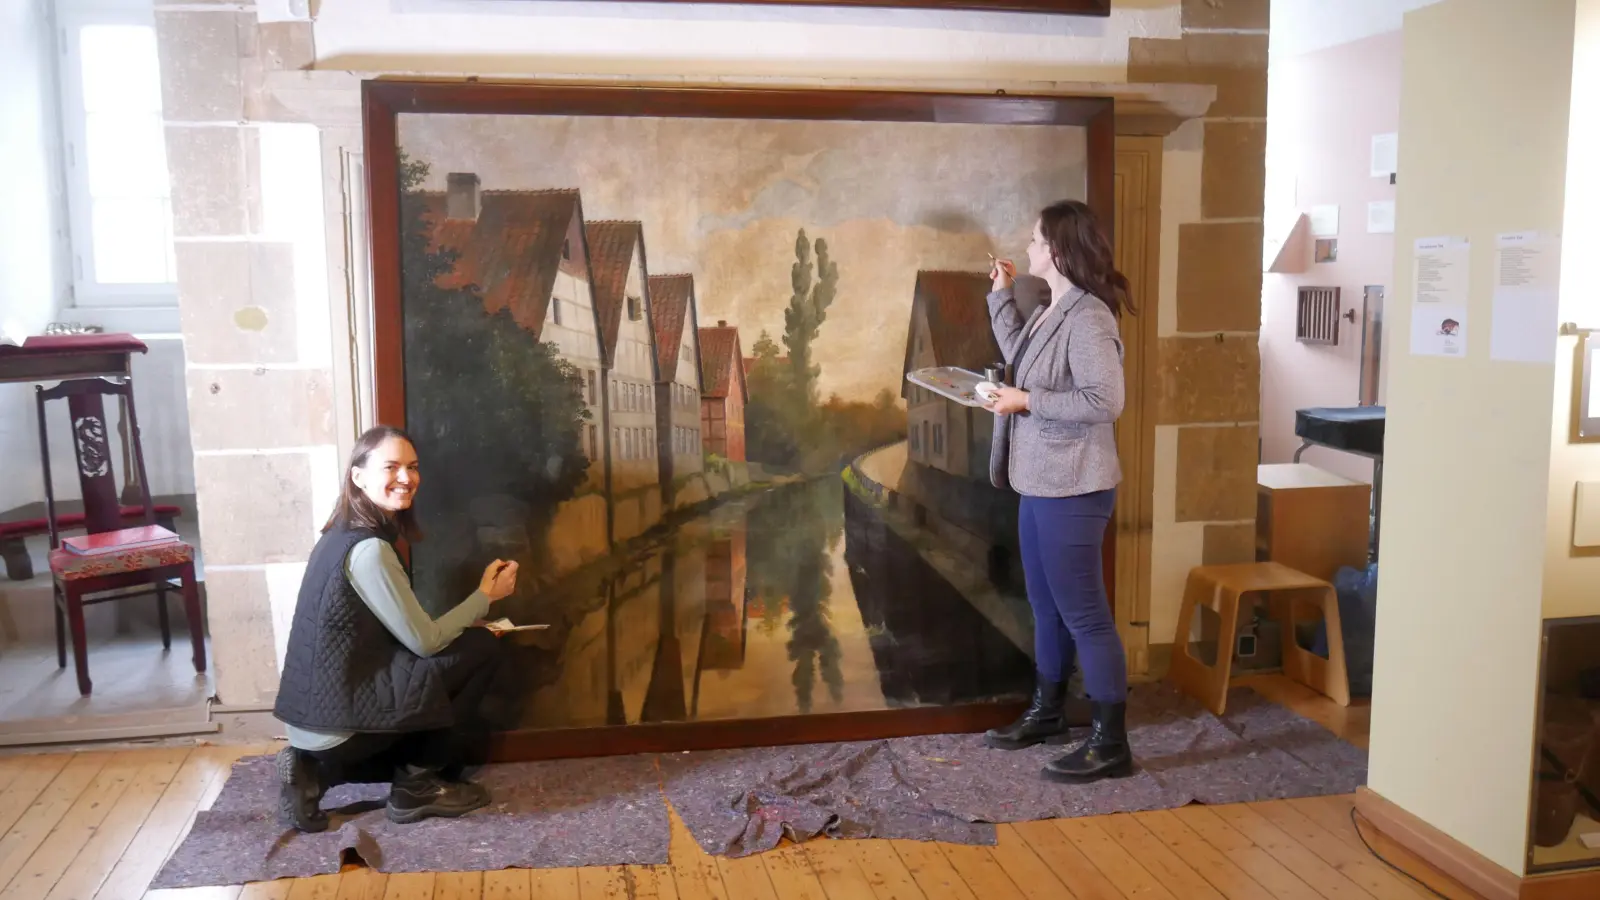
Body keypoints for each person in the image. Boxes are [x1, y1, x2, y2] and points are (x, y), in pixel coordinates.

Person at [273, 425, 521, 832]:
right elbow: (424, 641)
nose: (406, 477)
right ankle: (416, 786)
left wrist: (462, 622)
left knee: (458, 646)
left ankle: (313, 771)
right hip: (342, 727)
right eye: (391, 467)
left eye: (413, 466)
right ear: (358, 476)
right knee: (481, 648)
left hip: (312, 721)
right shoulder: (369, 550)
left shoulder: (337, 534)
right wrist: (486, 596)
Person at [981, 199, 1135, 784]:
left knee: (1086, 616)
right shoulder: (1051, 310)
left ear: (1058, 250)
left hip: (1074, 487)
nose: (1027, 247)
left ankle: (1110, 744)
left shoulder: (1090, 317)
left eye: (1035, 240)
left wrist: (1025, 401)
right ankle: (1049, 715)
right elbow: (1018, 357)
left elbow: (1105, 401)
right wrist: (1001, 296)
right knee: (1046, 608)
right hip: (1038, 483)